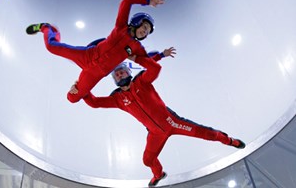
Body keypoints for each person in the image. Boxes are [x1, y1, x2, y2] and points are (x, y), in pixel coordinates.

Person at [69, 49, 246, 187]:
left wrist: (135, 58)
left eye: (122, 72)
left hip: (173, 122)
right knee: (147, 160)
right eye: (117, 75)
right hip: (155, 133)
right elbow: (95, 103)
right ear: (114, 80)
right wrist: (82, 90)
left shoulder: (141, 81)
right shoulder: (118, 99)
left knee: (208, 134)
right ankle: (158, 175)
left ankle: (229, 140)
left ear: (128, 73)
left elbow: (155, 68)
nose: (120, 75)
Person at [25, 0, 165, 103]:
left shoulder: (137, 48)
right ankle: (47, 28)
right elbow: (126, 1)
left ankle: (80, 89)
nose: (145, 32)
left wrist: (160, 55)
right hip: (87, 55)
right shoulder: (121, 27)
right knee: (51, 46)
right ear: (137, 22)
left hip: (94, 74)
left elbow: (149, 61)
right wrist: (147, 1)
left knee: (72, 98)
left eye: (147, 32)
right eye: (145, 27)